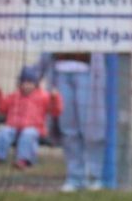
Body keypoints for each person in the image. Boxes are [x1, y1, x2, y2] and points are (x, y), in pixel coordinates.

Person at [37, 52, 107, 192]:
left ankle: (95, 177)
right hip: (60, 73)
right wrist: (36, 72)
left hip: (87, 72)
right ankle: (75, 178)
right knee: (68, 128)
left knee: (91, 128)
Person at [0, 65, 62, 170]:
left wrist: (55, 98)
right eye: (24, 82)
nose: (26, 85)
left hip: (34, 128)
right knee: (3, 131)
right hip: (13, 127)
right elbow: (2, 108)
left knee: (28, 134)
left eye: (30, 82)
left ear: (35, 84)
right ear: (20, 83)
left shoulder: (43, 97)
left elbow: (55, 111)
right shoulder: (14, 96)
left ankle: (23, 160)